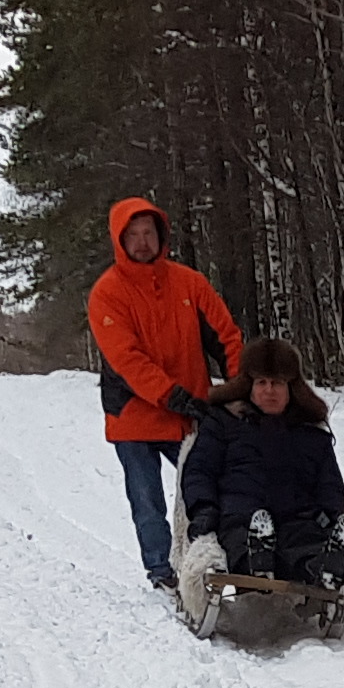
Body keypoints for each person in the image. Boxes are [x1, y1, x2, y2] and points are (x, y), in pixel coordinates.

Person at [85, 195, 241, 592]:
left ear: (161, 236)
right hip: (134, 417)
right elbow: (127, 360)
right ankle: (160, 571)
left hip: (188, 413)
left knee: (206, 489)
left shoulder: (190, 283)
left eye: (148, 233)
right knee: (148, 501)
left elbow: (226, 337)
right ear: (120, 240)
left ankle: (214, 559)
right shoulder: (107, 294)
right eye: (133, 235)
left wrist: (238, 388)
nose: (141, 242)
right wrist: (173, 395)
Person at [175, 336, 344, 614]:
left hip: (296, 519)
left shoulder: (310, 433)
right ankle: (254, 558)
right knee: (240, 538)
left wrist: (336, 517)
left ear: (291, 388)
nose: (269, 391)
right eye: (262, 383)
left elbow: (329, 484)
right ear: (249, 386)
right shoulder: (223, 423)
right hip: (239, 514)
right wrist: (204, 512)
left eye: (277, 383)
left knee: (306, 543)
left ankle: (324, 569)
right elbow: (199, 472)